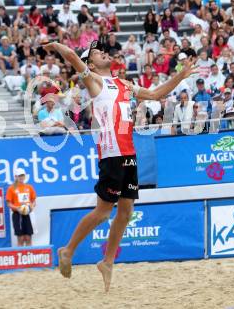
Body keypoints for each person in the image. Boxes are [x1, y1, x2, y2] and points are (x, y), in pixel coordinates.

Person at [44, 39, 197, 291]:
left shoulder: (124, 84)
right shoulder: (93, 80)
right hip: (111, 154)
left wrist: (180, 76)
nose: (104, 53)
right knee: (104, 212)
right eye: (97, 52)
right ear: (91, 62)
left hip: (129, 153)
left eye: (105, 50)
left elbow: (156, 94)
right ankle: (68, 250)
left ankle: (107, 262)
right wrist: (55, 45)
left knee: (126, 213)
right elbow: (71, 56)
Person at [6, 168, 36, 246]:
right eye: (19, 176)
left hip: (28, 214)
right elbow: (9, 203)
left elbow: (33, 201)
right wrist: (18, 208)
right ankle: (21, 256)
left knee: (28, 237)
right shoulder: (11, 188)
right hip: (17, 214)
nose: (21, 177)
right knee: (21, 238)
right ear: (15, 177)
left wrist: (31, 207)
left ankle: (30, 256)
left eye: (22, 176)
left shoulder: (29, 187)